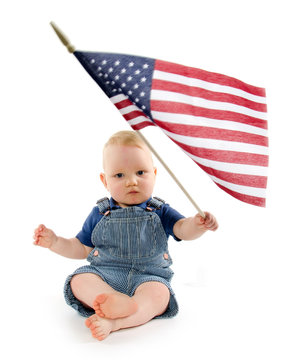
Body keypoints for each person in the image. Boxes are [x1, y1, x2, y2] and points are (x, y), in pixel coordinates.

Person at [33, 130, 218, 341]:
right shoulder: (101, 213)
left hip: (148, 277)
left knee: (160, 294)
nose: (132, 181)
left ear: (154, 174)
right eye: (119, 175)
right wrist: (55, 242)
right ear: (105, 181)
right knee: (79, 280)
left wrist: (197, 224)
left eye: (140, 172)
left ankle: (116, 320)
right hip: (105, 275)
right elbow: (80, 248)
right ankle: (112, 299)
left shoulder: (159, 210)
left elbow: (182, 229)